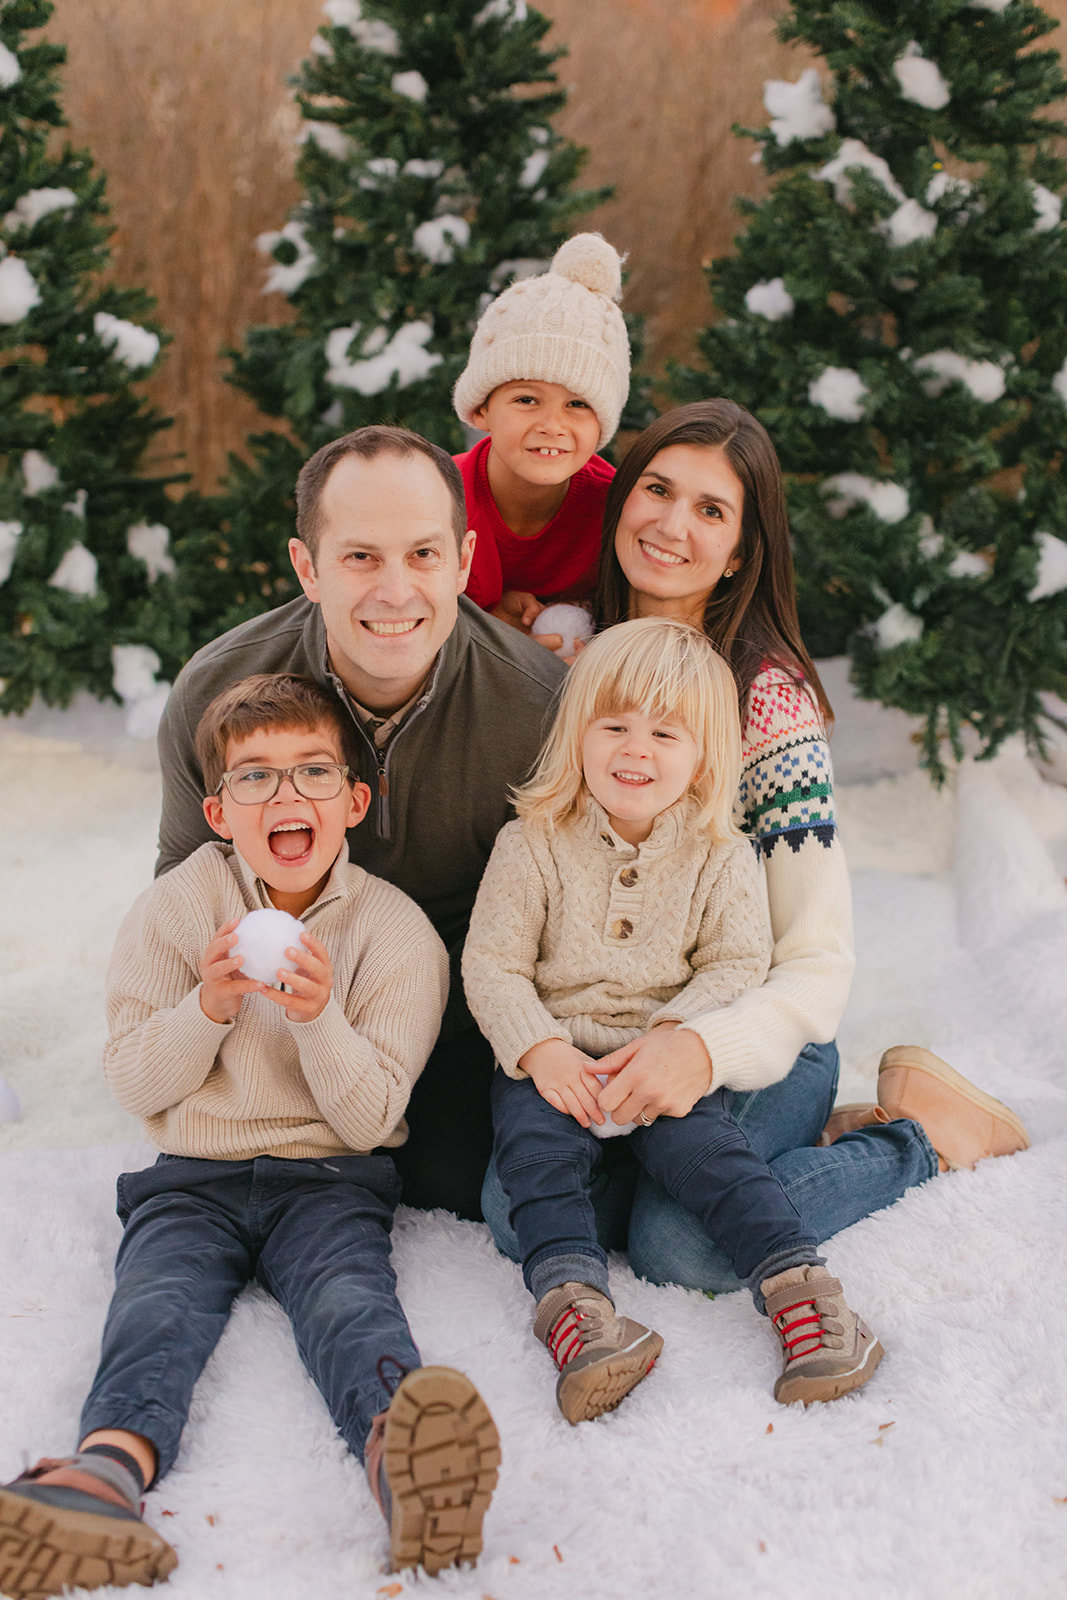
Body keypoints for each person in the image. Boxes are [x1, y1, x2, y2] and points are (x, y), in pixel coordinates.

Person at [481, 399, 1029, 1293]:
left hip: (749, 1024)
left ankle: (919, 1140)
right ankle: (776, 1158)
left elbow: (815, 961)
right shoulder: (571, 651)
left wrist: (702, 1050)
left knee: (681, 1248)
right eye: (656, 489)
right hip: (597, 1022)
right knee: (517, 1216)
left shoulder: (764, 706)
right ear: (619, 501)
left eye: (710, 510)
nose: (669, 524)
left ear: (739, 550)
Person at [0, 675, 501, 1598]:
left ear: (354, 800)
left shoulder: (395, 936)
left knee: (351, 1303)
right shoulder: (172, 911)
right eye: (255, 778)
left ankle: (409, 1465)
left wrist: (317, 1018)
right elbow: (135, 1083)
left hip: (330, 1176)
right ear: (217, 809)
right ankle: (101, 1476)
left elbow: (367, 1114)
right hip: (193, 1173)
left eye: (313, 772)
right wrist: (210, 1005)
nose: (286, 796)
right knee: (155, 1308)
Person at [464, 618, 883, 1424]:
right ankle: (578, 1317)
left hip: (666, 1059)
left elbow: (735, 964)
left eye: (665, 733)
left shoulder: (720, 851)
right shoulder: (533, 842)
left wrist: (672, 1037)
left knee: (708, 1159)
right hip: (558, 1060)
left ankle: (804, 1294)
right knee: (530, 1177)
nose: (636, 749)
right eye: (614, 725)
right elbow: (492, 965)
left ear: (702, 758)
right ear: (577, 732)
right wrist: (539, 1048)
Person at [155, 425, 567, 1219]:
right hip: (267, 1008)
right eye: (359, 557)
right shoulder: (219, 691)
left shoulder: (536, 706)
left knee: (478, 1189)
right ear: (307, 567)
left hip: (451, 1012)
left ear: (464, 560)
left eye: (421, 554)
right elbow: (182, 893)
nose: (394, 590)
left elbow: (554, 923)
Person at [452, 233, 628, 632]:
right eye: (527, 400)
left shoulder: (614, 509)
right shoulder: (440, 497)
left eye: (578, 404)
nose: (552, 425)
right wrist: (493, 631)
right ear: (482, 409)